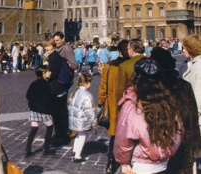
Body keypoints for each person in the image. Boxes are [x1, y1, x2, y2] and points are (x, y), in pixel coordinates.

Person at [114, 57, 184, 174]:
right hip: (164, 163)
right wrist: (167, 152)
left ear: (136, 78)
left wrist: (123, 162)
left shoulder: (132, 105)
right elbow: (178, 131)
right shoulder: (167, 101)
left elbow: (123, 138)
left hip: (141, 163)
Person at [150, 47, 201, 174]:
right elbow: (192, 116)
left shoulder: (151, 86)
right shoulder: (184, 85)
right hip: (182, 141)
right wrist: (196, 144)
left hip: (156, 143)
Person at [98, 39, 130, 173]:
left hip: (113, 105)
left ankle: (110, 163)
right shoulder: (131, 65)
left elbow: (103, 86)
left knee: (114, 136)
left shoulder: (109, 66)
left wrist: (101, 102)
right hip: (127, 104)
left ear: (118, 52)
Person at [45, 37, 71, 148]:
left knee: (58, 114)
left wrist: (45, 74)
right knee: (61, 113)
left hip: (56, 88)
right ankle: (62, 135)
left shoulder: (53, 57)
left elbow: (53, 73)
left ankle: (60, 137)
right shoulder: (55, 55)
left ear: (54, 46)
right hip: (60, 87)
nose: (47, 48)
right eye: (46, 46)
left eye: (49, 46)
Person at [25, 65, 54, 157]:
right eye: (48, 71)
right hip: (44, 110)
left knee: (34, 128)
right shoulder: (46, 85)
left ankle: (28, 149)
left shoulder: (33, 84)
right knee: (49, 126)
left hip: (34, 110)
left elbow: (28, 95)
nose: (50, 72)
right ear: (43, 74)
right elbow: (48, 98)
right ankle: (46, 148)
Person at [182, 35, 201, 171]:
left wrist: (193, 117)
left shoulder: (198, 67)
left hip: (197, 117)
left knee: (193, 152)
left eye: (184, 48)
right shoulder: (195, 64)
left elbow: (198, 94)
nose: (183, 50)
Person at [68, 73, 96, 163]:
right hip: (82, 120)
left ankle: (75, 151)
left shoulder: (74, 92)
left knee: (78, 135)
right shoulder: (87, 96)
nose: (90, 85)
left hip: (75, 118)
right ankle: (77, 156)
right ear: (85, 83)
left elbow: (69, 105)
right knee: (82, 136)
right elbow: (90, 112)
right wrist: (94, 123)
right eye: (89, 83)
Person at [115, 38, 145, 103]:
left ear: (131, 50)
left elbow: (121, 89)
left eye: (128, 48)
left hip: (132, 102)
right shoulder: (152, 62)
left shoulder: (124, 65)